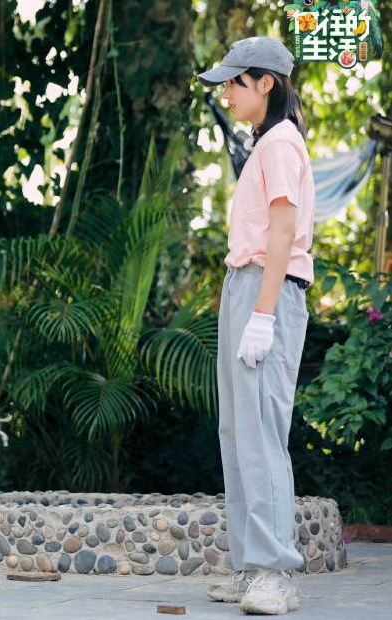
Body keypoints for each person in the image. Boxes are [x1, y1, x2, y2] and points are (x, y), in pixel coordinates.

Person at [196, 37, 315, 615]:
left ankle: (275, 573)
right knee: (237, 432)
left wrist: (263, 315)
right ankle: (251, 568)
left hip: (268, 290)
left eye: (234, 82)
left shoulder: (281, 144)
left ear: (266, 82)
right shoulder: (266, 143)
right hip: (243, 287)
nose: (226, 92)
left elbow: (284, 232)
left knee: (262, 434)